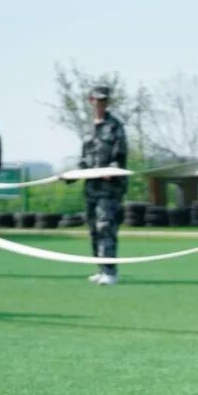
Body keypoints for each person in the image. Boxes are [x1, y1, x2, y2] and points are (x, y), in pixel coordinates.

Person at [77, 85, 128, 286]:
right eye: (98, 100)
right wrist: (74, 173)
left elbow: (120, 155)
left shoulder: (115, 126)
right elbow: (84, 158)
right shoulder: (88, 128)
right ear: (91, 101)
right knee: (93, 228)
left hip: (110, 188)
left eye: (104, 100)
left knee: (106, 227)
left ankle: (110, 271)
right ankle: (100, 268)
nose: (101, 103)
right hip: (91, 187)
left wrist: (111, 170)